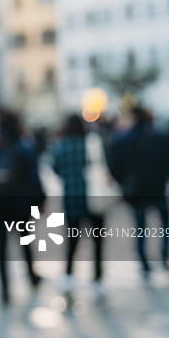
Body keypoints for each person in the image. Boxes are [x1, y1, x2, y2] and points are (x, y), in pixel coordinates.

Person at [0, 111, 44, 305]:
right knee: (26, 241)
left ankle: (4, 288)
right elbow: (33, 176)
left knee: (1, 246)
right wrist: (40, 200)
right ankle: (32, 277)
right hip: (20, 204)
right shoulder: (24, 146)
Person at [107, 106, 169, 281]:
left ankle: (144, 263)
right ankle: (163, 257)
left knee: (140, 227)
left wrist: (122, 181)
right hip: (157, 187)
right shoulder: (159, 137)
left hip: (136, 190)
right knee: (164, 225)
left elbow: (114, 163)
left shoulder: (123, 139)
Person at [49, 114, 104, 292]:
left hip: (72, 196)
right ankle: (97, 274)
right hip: (93, 196)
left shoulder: (62, 146)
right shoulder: (90, 145)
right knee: (97, 239)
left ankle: (69, 273)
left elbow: (55, 167)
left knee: (72, 238)